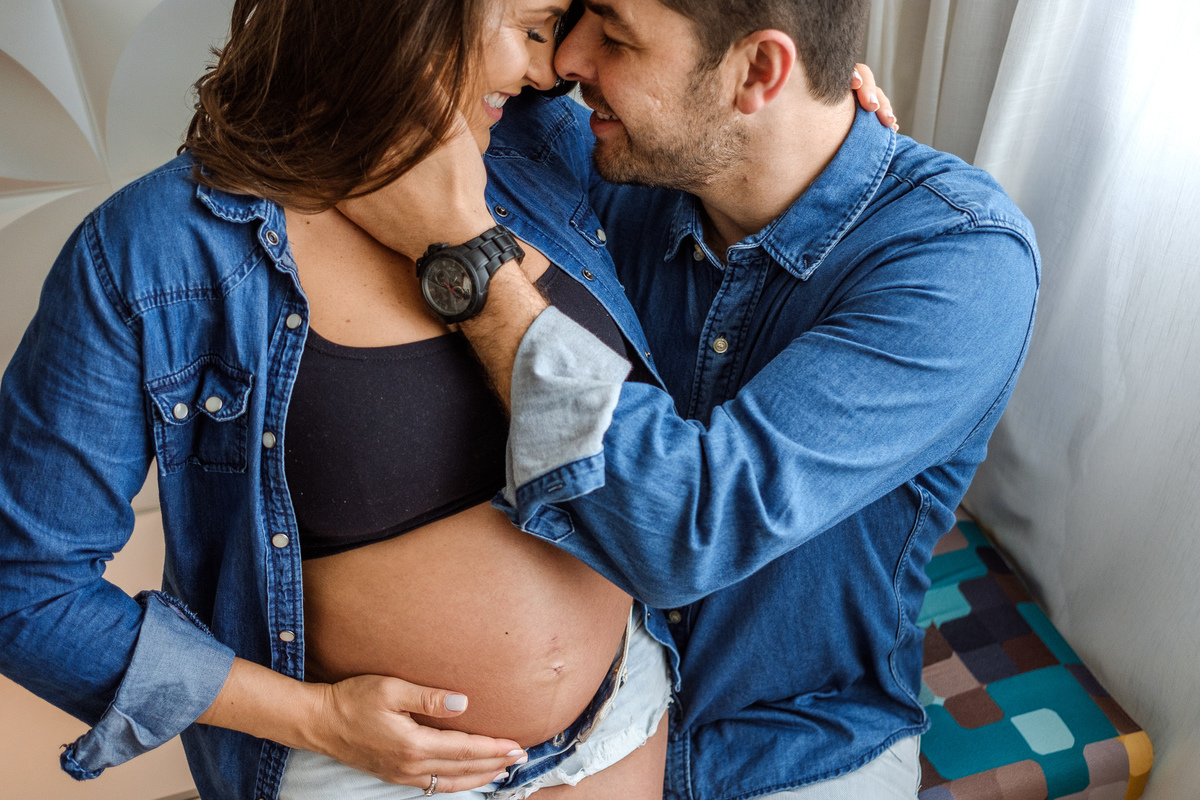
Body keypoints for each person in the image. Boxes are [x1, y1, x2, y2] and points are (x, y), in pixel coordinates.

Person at [340, 0, 1040, 798]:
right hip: (573, 740)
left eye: (615, 36)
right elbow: (423, 58)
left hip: (793, 750)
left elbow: (689, 530)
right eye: (570, 20)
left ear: (759, 72)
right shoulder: (607, 162)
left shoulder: (960, 261)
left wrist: (472, 265)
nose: (566, 62)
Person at [0, 1, 681, 798]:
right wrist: (318, 719)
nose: (546, 70)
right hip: (364, 771)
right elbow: (25, 585)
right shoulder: (160, 248)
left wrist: (828, 125)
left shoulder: (541, 151)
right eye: (531, 30)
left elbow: (732, 228)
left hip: (620, 718)